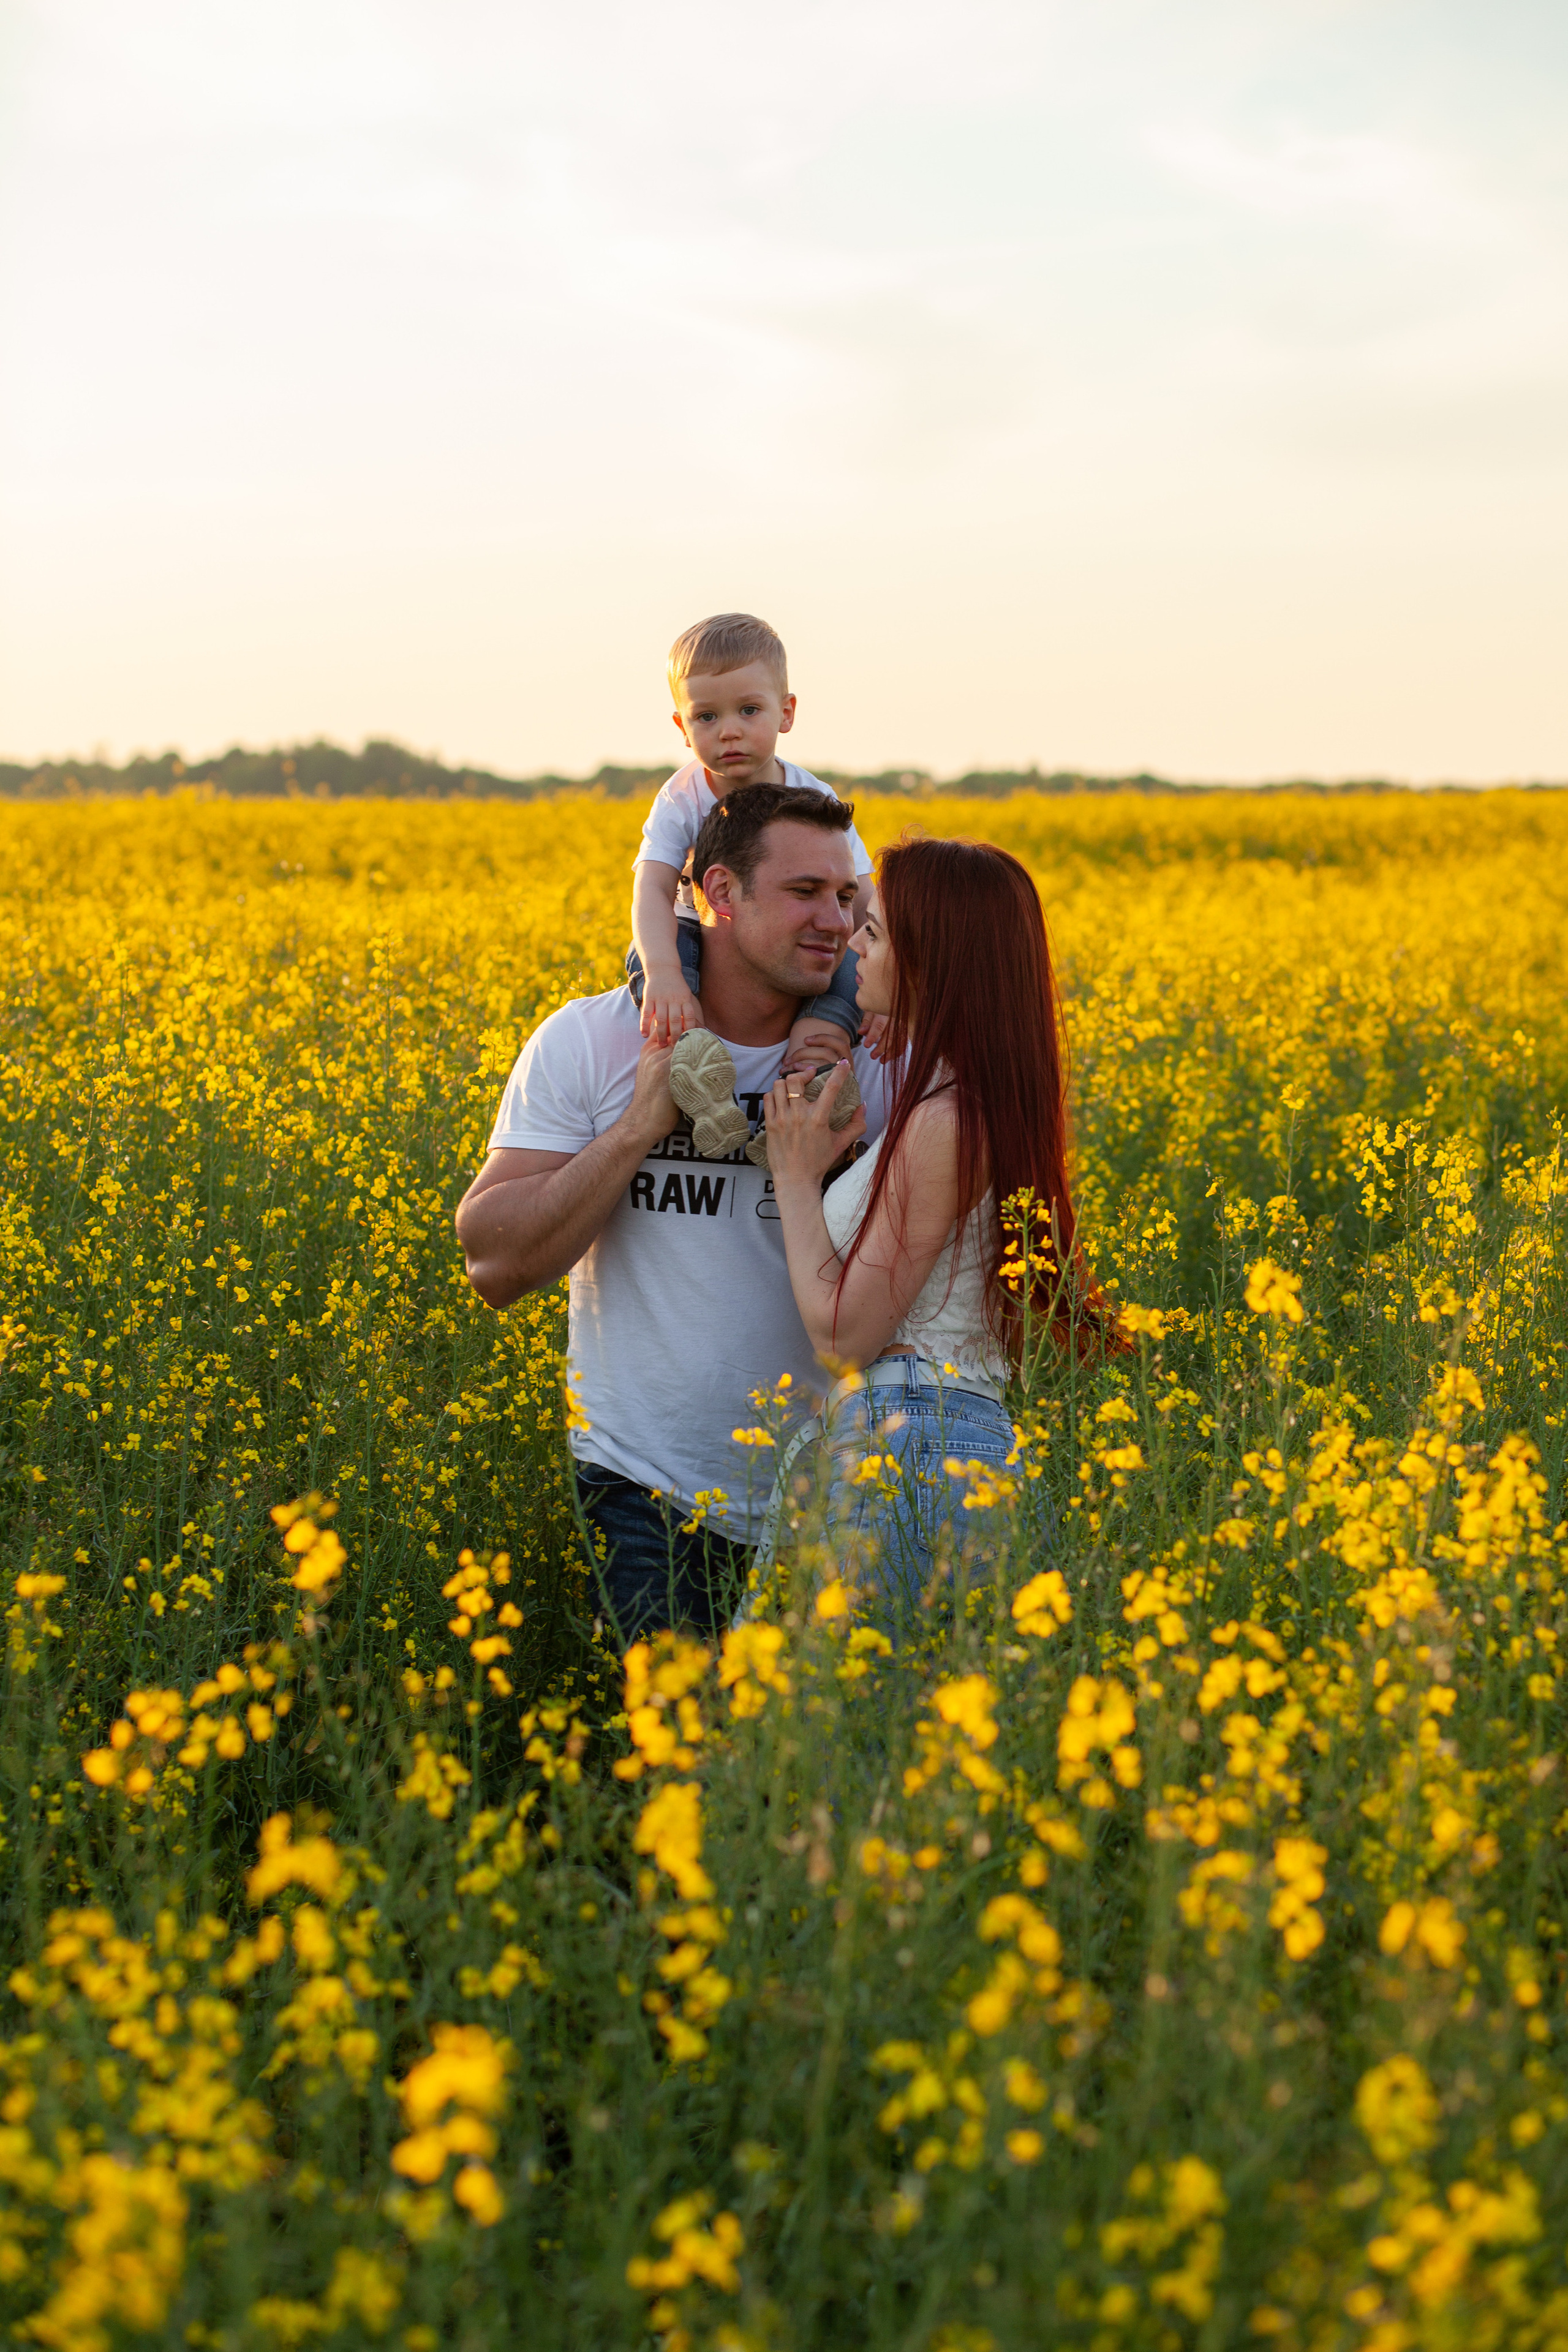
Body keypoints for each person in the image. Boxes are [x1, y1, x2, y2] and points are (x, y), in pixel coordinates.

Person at [454, 783, 892, 1645]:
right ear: (719, 894)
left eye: (846, 897)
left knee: (801, 1777)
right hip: (644, 1487)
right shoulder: (592, 1040)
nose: (838, 923)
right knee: (684, 1765)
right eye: (805, 893)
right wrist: (639, 1129)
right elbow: (491, 1264)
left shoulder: (876, 1059)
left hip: (837, 1493)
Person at [753, 834, 1101, 1627]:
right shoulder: (958, 1104)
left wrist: (798, 1178)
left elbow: (845, 1336)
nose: (853, 943)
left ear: (934, 961)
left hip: (913, 1440)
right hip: (926, 1437)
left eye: (875, 932)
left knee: (860, 1736)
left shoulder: (946, 1120)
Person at [626, 612, 881, 1100]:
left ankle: (815, 1075)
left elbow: (866, 900)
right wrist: (664, 976)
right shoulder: (680, 797)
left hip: (796, 948)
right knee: (653, 958)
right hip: (692, 928)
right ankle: (697, 1076)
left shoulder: (813, 795)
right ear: (682, 726)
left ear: (786, 713)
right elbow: (652, 890)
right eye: (707, 717)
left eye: (749, 710)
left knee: (851, 965)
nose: (729, 732)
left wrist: (890, 990)